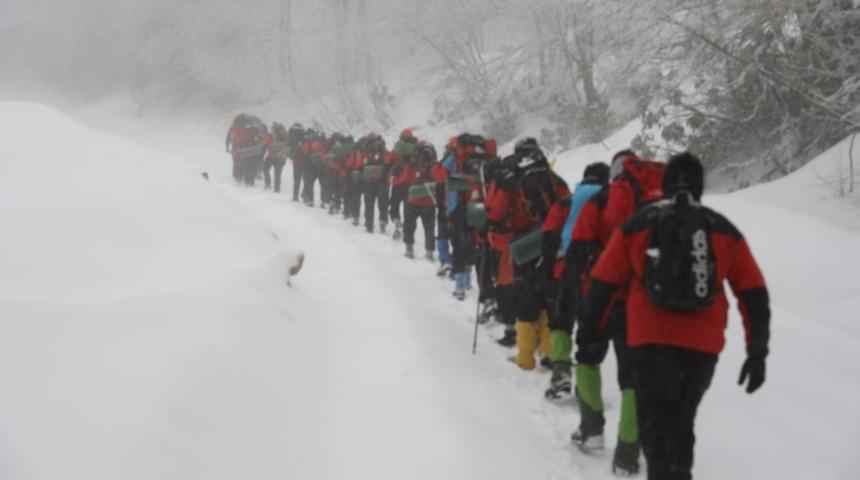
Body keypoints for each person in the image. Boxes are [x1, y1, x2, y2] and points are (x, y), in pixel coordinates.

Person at [578, 152, 770, 480]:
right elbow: (753, 293)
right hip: (701, 349)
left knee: (655, 431)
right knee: (681, 423)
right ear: (700, 187)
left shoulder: (637, 225)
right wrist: (757, 351)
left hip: (648, 342)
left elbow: (602, 283)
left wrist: (589, 334)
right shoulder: (723, 230)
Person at [564, 150, 664, 475]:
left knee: (589, 357)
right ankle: (627, 455)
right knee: (634, 377)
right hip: (646, 302)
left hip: (602, 296)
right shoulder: (662, 205)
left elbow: (578, 246)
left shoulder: (603, 199)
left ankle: (592, 430)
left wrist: (571, 290)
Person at [487, 138, 569, 369]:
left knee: (527, 299)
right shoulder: (554, 178)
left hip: (524, 246)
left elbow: (495, 214)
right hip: (554, 244)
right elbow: (567, 205)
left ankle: (524, 357)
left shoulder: (513, 181)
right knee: (549, 298)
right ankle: (548, 351)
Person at [542, 162, 610, 402]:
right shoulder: (612, 202)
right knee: (590, 330)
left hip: (567, 271)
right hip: (600, 276)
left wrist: (550, 269)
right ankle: (586, 387)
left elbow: (549, 235)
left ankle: (561, 371)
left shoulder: (566, 202)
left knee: (561, 322)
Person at [397, 141, 438, 259]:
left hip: (413, 201)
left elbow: (404, 180)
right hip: (429, 202)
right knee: (429, 228)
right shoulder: (435, 165)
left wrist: (409, 169)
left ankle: (409, 248)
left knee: (409, 226)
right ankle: (429, 251)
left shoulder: (413, 165)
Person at [390, 129, 418, 240]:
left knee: (394, 205)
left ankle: (397, 223)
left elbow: (390, 159)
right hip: (411, 182)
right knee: (408, 209)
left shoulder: (399, 146)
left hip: (398, 181)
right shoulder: (417, 147)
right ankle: (407, 232)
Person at [262, 122, 289, 192]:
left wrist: (262, 156)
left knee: (265, 169)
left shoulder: (270, 136)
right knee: (277, 174)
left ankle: (268, 184)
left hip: (271, 156)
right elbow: (286, 148)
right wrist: (284, 159)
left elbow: (265, 146)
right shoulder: (284, 136)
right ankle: (277, 189)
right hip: (280, 157)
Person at [287, 123, 306, 201]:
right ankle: (304, 193)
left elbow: (288, 148)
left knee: (296, 180)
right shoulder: (304, 138)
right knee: (306, 179)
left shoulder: (292, 137)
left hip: (295, 161)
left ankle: (295, 196)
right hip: (304, 161)